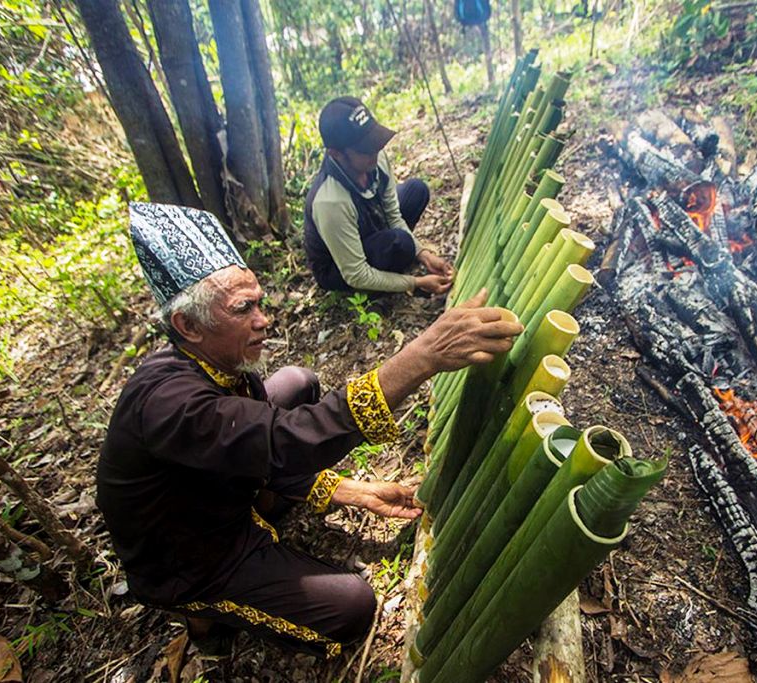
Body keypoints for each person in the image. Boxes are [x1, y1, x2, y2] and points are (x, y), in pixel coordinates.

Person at [96, 202, 521, 658]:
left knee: (297, 382)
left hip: (216, 482)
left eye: (260, 302)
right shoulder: (170, 403)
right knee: (352, 607)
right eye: (243, 310)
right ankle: (204, 616)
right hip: (194, 552)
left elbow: (255, 438)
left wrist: (348, 491)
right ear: (187, 325)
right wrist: (421, 357)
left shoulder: (211, 363)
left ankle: (264, 507)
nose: (264, 320)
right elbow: (282, 442)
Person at [303, 96, 453, 296]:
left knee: (416, 191)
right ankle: (381, 281)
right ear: (336, 154)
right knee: (399, 243)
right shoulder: (330, 202)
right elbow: (356, 274)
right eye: (364, 150)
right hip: (339, 266)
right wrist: (415, 282)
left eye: (374, 142)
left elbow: (393, 215)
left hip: (368, 224)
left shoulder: (376, 159)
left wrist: (424, 255)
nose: (375, 152)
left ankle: (391, 259)